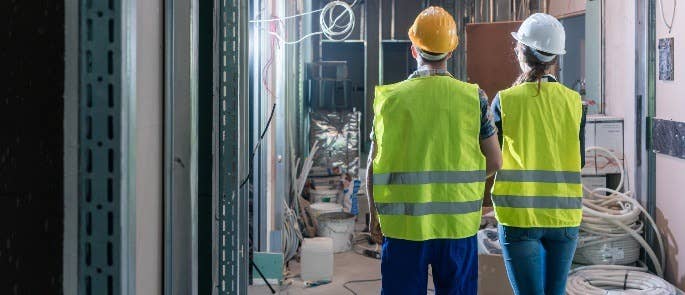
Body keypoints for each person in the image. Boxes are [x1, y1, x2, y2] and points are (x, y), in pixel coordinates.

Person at [366, 6, 502, 295]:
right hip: (457, 228)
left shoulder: (388, 99)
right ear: (451, 52)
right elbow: (495, 160)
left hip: (404, 228)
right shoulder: (473, 98)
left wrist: (374, 215)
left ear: (414, 49)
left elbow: (373, 164)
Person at [490, 13, 587, 295]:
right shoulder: (574, 102)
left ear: (522, 51)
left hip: (520, 217)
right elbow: (577, 159)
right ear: (555, 58)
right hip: (564, 217)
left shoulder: (505, 101)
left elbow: (492, 159)